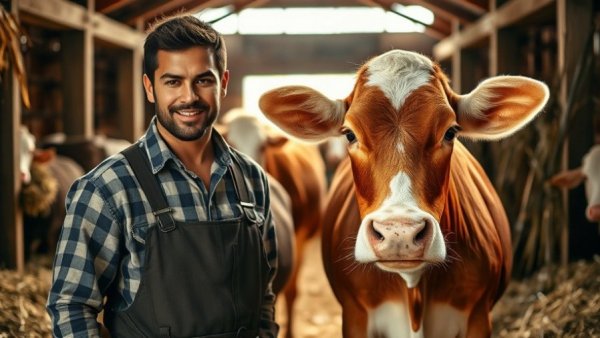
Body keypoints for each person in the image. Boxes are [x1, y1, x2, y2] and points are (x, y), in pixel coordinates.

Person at [47, 15, 279, 338]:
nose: (189, 97)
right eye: (173, 82)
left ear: (223, 82)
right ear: (149, 87)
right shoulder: (107, 189)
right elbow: (70, 306)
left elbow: (264, 295)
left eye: (203, 80)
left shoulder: (253, 180)